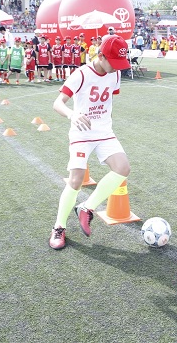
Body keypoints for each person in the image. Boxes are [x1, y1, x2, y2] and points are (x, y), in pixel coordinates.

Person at [49, 34, 131, 250]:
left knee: (123, 168)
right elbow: (57, 103)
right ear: (101, 55)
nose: (116, 68)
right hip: (81, 133)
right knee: (75, 180)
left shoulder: (116, 74)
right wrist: (72, 115)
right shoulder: (81, 75)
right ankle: (59, 226)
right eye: (113, 63)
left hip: (104, 132)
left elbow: (109, 97)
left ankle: (86, 207)